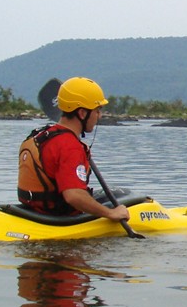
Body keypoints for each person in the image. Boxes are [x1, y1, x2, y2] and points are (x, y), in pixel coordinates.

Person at [17, 77, 130, 221]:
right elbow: (73, 196)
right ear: (82, 113)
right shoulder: (70, 147)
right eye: (97, 110)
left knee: (122, 193)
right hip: (57, 217)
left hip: (34, 210)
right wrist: (111, 213)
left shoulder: (40, 135)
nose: (99, 116)